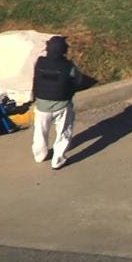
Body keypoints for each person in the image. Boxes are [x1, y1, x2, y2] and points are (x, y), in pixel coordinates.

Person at [31, 36, 82, 169]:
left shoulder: (40, 63)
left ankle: (39, 155)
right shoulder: (68, 66)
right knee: (63, 132)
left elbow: (36, 81)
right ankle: (58, 160)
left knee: (40, 131)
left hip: (41, 106)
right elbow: (77, 80)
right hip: (62, 105)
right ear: (64, 50)